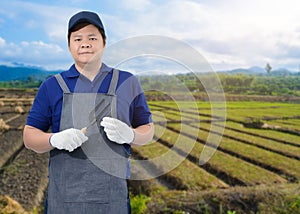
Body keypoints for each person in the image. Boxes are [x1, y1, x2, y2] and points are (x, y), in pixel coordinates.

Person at [23, 11, 154, 214]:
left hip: (113, 202)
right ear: (69, 45)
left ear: (103, 42)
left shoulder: (127, 82)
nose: (85, 43)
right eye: (77, 38)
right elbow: (29, 136)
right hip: (63, 203)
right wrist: (54, 140)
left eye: (92, 37)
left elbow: (148, 129)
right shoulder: (52, 86)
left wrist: (132, 135)